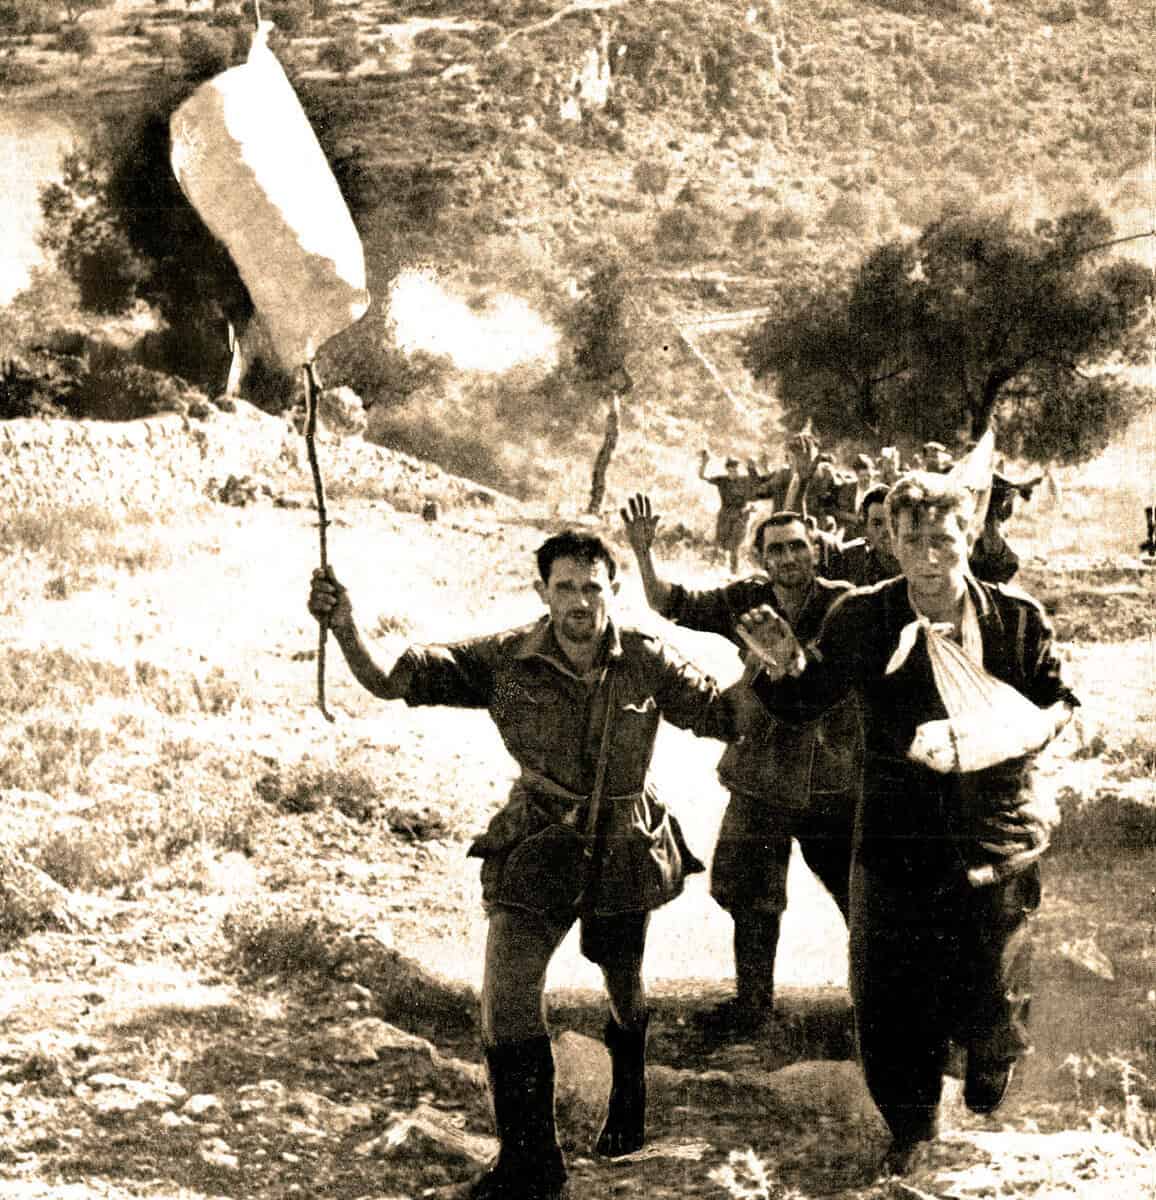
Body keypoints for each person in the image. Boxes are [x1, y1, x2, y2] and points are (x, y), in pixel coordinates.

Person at [308, 530, 756, 1200]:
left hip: (623, 845)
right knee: (507, 997)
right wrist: (345, 627)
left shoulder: (647, 657)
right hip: (539, 838)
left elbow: (729, 717)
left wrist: (770, 666)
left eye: (592, 588)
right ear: (541, 590)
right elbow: (386, 681)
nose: (580, 602)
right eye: (566, 587)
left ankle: (628, 1082)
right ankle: (531, 1164)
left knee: (622, 979)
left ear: (613, 591)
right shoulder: (502, 657)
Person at [737, 471, 1078, 1177]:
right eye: (912, 539)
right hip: (896, 835)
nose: (929, 555)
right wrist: (784, 664)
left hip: (997, 834)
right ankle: (910, 1133)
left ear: (971, 537)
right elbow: (809, 699)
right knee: (889, 995)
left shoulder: (1017, 619)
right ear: (889, 540)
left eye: (944, 538)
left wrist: (1023, 730)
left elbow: (1057, 701)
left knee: (992, 994)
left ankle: (988, 1068)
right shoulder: (864, 617)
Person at [620, 496, 859, 1040]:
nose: (789, 557)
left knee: (860, 894)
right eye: (776, 549)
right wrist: (643, 553)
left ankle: (875, 1005)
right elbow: (667, 603)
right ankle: (754, 1005)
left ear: (816, 552)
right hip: (764, 769)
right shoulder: (745, 599)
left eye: (799, 546)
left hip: (833, 773)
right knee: (749, 891)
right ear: (761, 559)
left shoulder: (845, 603)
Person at [700, 450, 763, 573]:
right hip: (725, 514)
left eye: (735, 470)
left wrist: (753, 467)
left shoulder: (744, 480)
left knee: (735, 546)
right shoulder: (722, 480)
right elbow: (702, 476)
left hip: (741, 514)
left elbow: (758, 483)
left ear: (737, 469)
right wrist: (704, 462)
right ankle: (714, 569)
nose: (733, 472)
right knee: (720, 543)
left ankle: (734, 572)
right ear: (727, 470)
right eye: (731, 470)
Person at [827, 484, 901, 587]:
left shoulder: (916, 559)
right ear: (866, 527)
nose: (886, 530)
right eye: (877, 524)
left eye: (891, 522)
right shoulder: (849, 558)